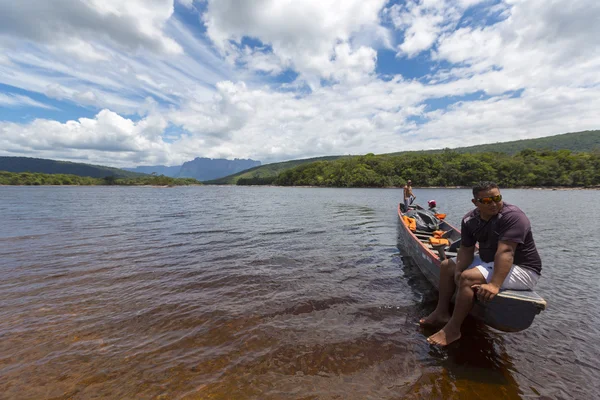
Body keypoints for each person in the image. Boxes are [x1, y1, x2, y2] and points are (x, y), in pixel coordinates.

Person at [419, 181, 542, 346]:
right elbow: (466, 249)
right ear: (475, 202)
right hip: (491, 261)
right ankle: (441, 312)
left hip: (523, 269)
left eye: (497, 198)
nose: (494, 203)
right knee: (447, 265)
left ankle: (453, 329)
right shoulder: (470, 219)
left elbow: (506, 252)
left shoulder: (513, 217)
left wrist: (494, 285)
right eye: (486, 201)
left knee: (468, 278)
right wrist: (458, 270)